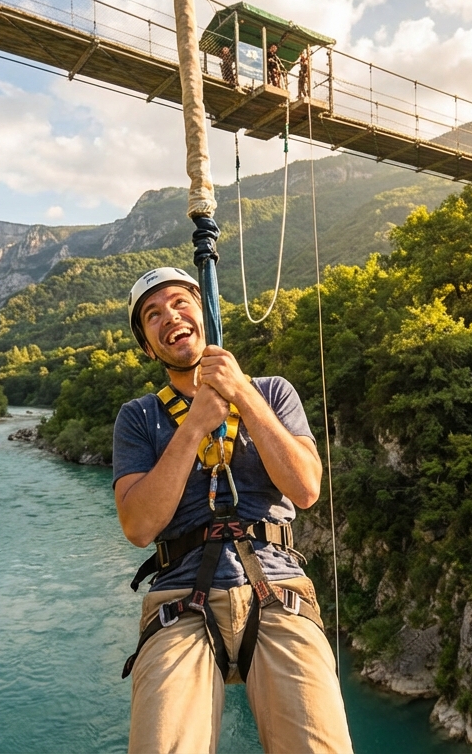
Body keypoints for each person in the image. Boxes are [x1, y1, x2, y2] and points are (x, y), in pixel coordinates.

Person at [114, 267, 353, 754]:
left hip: (277, 585)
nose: (170, 318)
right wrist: (195, 425)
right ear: (148, 347)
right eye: (153, 315)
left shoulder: (273, 392)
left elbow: (306, 488)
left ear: (205, 314)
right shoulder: (139, 417)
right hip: (180, 597)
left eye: (181, 303)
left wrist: (241, 391)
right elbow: (138, 526)